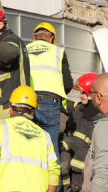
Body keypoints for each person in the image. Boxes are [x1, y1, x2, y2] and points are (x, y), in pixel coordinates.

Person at [26, 22, 74, 169]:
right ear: (52, 38)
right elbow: (67, 84)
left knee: (29, 147)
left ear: (35, 38)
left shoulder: (24, 49)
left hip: (28, 102)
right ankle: (54, 190)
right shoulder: (58, 51)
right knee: (51, 148)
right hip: (50, 102)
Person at [65, 73, 99, 192]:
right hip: (74, 169)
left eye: (83, 93)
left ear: (91, 93)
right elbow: (68, 131)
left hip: (91, 172)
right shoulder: (78, 110)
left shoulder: (101, 116)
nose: (80, 96)